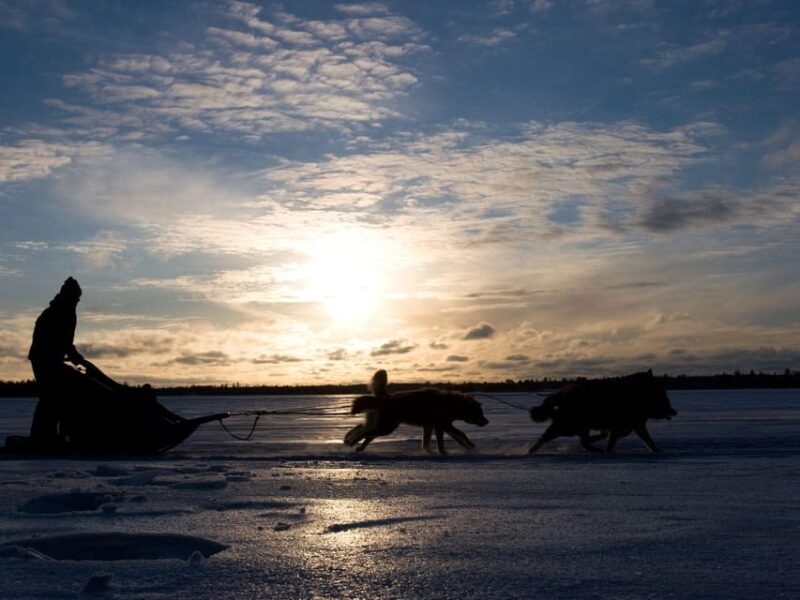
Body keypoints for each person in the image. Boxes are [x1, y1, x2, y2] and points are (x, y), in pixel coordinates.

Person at [27, 277, 114, 448]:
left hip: (52, 358)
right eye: (76, 298)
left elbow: (65, 342)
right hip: (44, 359)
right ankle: (43, 437)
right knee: (51, 396)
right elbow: (59, 340)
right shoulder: (58, 312)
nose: (77, 301)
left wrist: (75, 357)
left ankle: (49, 435)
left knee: (55, 396)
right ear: (68, 296)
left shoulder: (66, 310)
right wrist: (74, 357)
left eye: (78, 298)